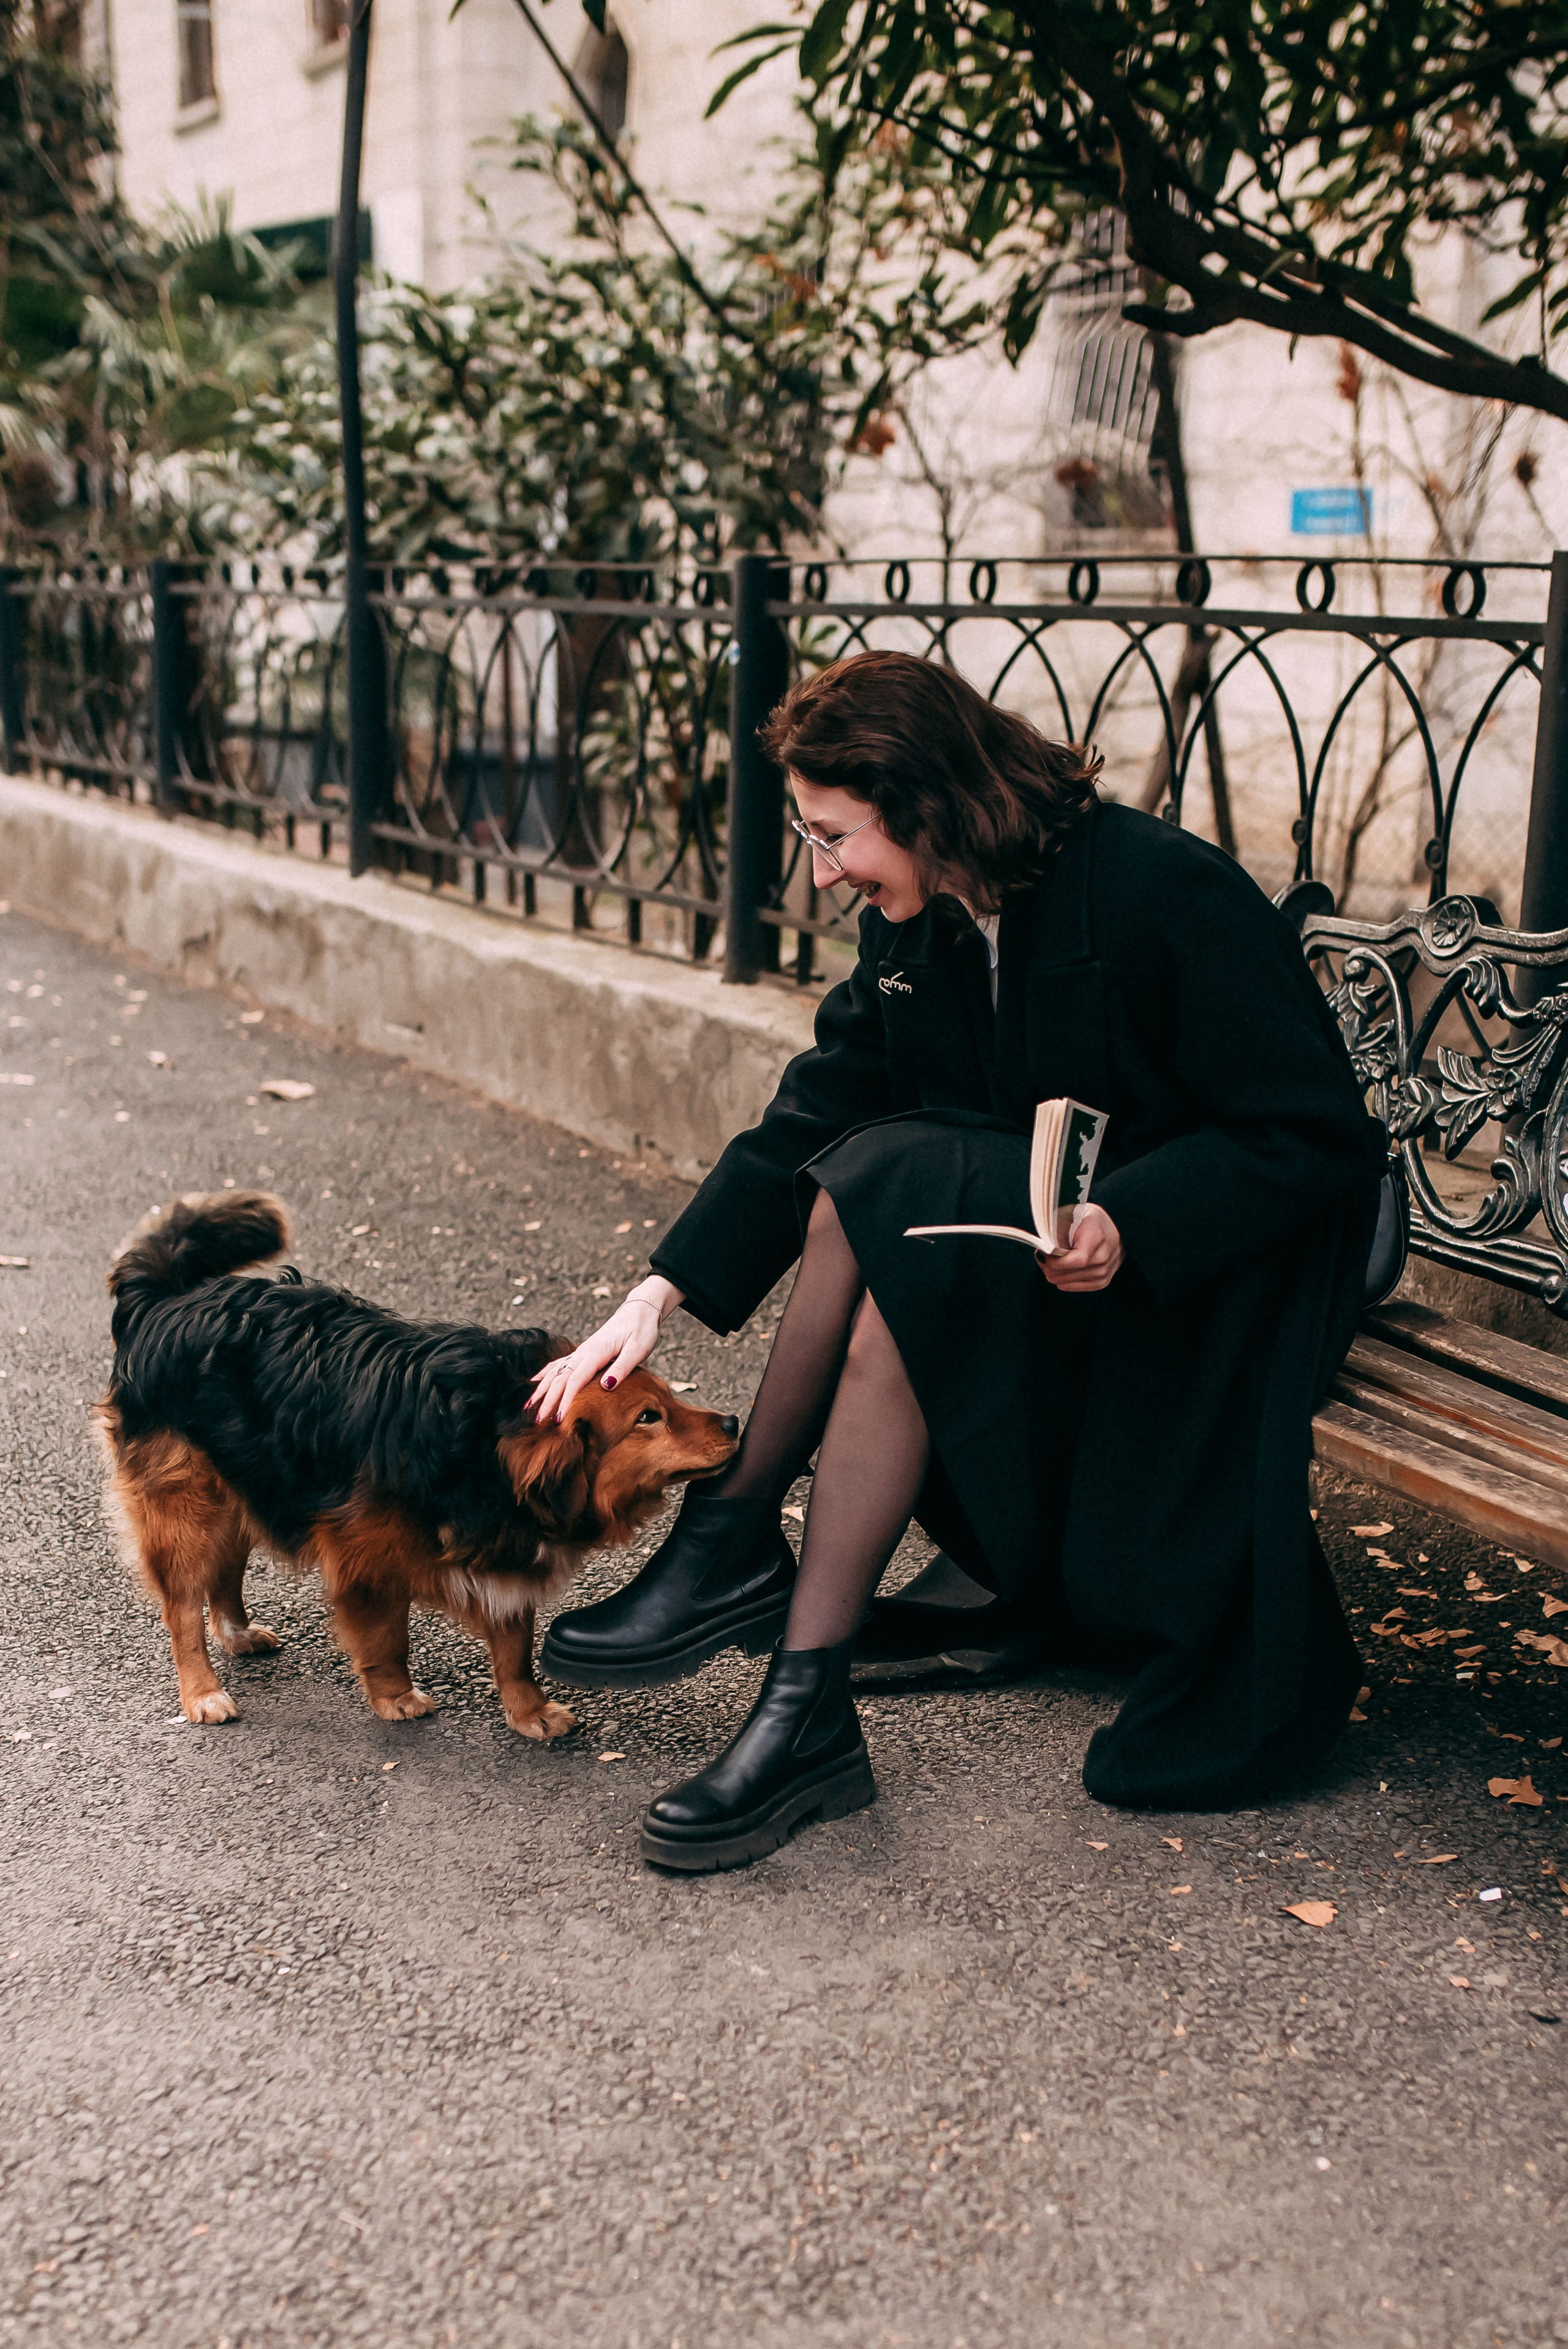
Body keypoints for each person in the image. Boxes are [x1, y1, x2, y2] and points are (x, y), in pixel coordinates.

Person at [530, 650, 1385, 1870]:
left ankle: (732, 1544)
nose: (822, 875)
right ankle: (800, 1699)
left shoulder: (1152, 889)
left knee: (888, 1182)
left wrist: (1133, 1217)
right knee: (879, 1225)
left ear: (922, 801)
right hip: (1049, 1257)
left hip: (1226, 1258)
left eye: (836, 838)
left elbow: (1308, 1138)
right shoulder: (917, 919)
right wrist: (655, 1291)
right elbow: (818, 1107)